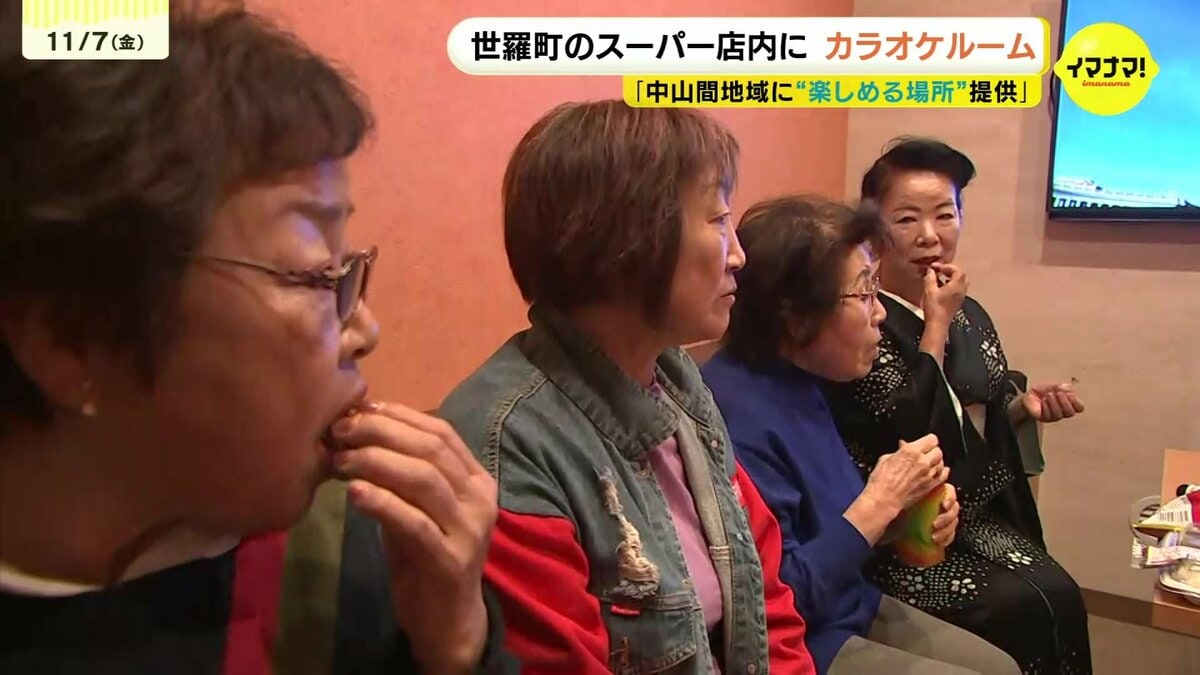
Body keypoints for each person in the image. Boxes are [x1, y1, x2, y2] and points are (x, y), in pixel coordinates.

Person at [0, 4, 514, 674]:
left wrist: (459, 649)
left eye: (349, 269)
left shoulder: (357, 567)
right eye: (315, 274)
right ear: (72, 339)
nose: (366, 330)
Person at [439, 100, 817, 675]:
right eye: (718, 220)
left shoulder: (677, 381)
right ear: (628, 241)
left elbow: (764, 591)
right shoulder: (510, 445)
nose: (738, 255)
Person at [701, 195, 1022, 675]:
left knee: (1003, 666)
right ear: (797, 316)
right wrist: (878, 503)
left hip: (851, 604)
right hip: (804, 642)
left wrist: (906, 520)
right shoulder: (736, 414)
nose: (880, 314)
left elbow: (833, 529)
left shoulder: (804, 378)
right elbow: (778, 602)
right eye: (864, 293)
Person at [819, 138, 1092, 674]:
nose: (930, 235)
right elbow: (914, 433)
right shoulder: (862, 324)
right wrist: (936, 323)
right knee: (1024, 608)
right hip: (904, 536)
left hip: (975, 513)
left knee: (1059, 593)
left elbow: (980, 412)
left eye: (945, 214)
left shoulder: (970, 312)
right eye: (906, 219)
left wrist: (1021, 408)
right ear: (872, 226)